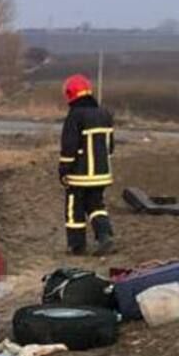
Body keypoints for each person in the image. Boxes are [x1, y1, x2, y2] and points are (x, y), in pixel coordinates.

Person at [59, 74, 116, 255]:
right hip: (102, 173)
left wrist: (63, 170)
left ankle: (77, 245)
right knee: (96, 205)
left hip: (80, 175)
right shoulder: (105, 114)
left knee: (74, 207)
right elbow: (111, 146)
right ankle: (104, 235)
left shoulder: (75, 116)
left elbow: (69, 146)